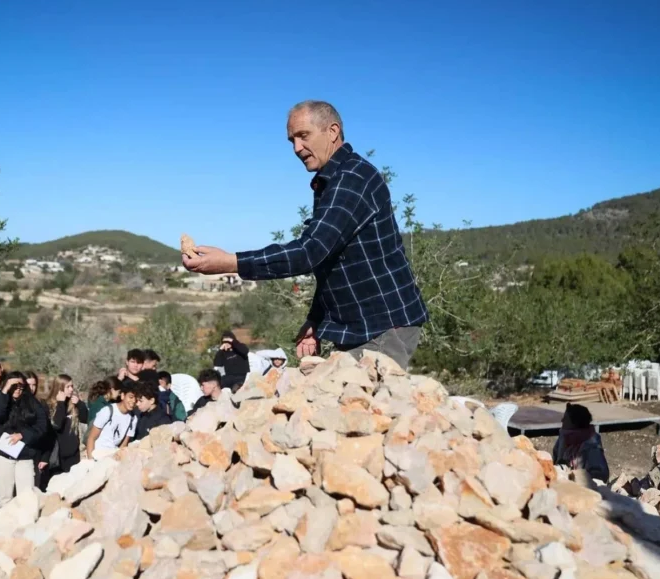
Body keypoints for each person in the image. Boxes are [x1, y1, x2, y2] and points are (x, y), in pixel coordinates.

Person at [183, 100, 429, 370]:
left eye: (303, 136)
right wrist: (316, 318)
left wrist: (232, 263)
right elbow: (332, 261)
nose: (297, 148)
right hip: (362, 328)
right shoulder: (332, 180)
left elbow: (309, 252)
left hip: (381, 327)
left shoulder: (353, 179)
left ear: (332, 131)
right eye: (291, 141)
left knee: (362, 409)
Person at [0, 373, 48, 506]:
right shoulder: (1, 399)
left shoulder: (31, 402)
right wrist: (5, 389)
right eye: (14, 386)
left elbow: (42, 426)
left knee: (27, 497)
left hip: (25, 454)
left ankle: (27, 525)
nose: (17, 389)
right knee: (5, 498)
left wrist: (23, 435)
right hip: (3, 454)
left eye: (21, 386)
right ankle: (5, 525)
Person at [552, 403, 610, 483]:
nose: (562, 420)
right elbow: (556, 461)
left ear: (574, 422)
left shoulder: (590, 446)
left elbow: (599, 476)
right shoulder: (564, 438)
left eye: (565, 418)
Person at [85, 383, 138, 460]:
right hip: (98, 455)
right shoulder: (108, 411)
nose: (133, 401)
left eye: (136, 399)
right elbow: (91, 438)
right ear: (123, 396)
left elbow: (124, 444)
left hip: (113, 457)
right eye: (131, 397)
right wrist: (90, 461)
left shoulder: (133, 418)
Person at [48, 375, 84, 473]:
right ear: (59, 388)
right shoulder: (50, 405)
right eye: (68, 387)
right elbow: (57, 425)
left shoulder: (73, 404)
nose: (71, 389)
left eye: (72, 386)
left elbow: (85, 419)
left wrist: (80, 404)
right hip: (58, 456)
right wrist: (60, 403)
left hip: (74, 454)